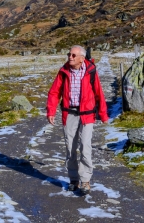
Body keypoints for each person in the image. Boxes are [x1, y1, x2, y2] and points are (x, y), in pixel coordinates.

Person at [46, 45, 109, 195]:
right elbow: (54, 92)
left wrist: (103, 114)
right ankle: (73, 179)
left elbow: (99, 93)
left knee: (85, 147)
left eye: (73, 55)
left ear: (82, 58)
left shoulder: (91, 71)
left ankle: (85, 181)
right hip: (70, 114)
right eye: (69, 54)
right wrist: (51, 111)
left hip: (87, 115)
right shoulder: (64, 71)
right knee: (70, 148)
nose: (70, 57)